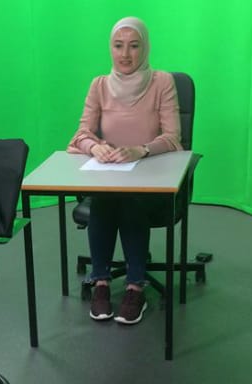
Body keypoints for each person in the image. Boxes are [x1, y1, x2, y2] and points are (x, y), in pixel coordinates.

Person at [67, 16, 182, 325]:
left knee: (130, 200)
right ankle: (101, 283)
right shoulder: (99, 85)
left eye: (134, 46)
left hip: (152, 180)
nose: (125, 54)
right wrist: (95, 147)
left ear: (145, 48)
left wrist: (140, 150)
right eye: (118, 46)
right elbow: (81, 135)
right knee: (105, 199)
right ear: (111, 48)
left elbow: (173, 138)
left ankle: (135, 287)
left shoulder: (162, 82)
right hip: (109, 177)